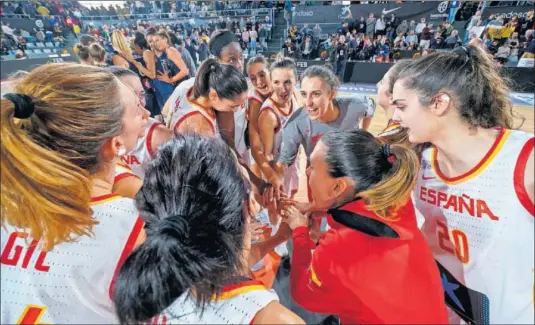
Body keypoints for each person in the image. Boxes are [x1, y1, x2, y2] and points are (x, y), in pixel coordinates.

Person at [391, 44, 534, 324]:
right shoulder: (421, 162)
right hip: (439, 312)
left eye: (402, 107)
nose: (395, 117)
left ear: (439, 103)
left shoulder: (524, 161)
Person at [1, 63, 149, 323]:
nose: (146, 114)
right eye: (137, 109)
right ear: (115, 144)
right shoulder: (134, 225)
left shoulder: (8, 204)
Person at [112, 134, 304, 324]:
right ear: (249, 207)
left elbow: (232, 263)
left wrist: (277, 238)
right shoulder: (273, 319)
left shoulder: (150, 284)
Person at [281, 129, 450, 324]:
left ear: (337, 187)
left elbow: (303, 293)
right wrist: (323, 208)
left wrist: (299, 232)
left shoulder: (338, 245)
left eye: (312, 166)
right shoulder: (397, 202)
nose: (307, 171)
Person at [272, 65, 376, 202]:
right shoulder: (296, 123)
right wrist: (274, 181)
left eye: (316, 94)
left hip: (349, 169)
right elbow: (283, 162)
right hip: (317, 172)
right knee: (315, 214)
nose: (308, 103)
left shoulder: (355, 106)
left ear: (332, 94)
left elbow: (371, 107)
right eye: (304, 94)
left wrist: (363, 132)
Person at [109, 67, 172, 181]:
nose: (140, 103)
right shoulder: (99, 143)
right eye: (131, 96)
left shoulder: (158, 135)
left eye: (142, 94)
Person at [167, 58, 248, 137]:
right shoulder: (200, 126)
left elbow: (165, 111)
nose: (235, 110)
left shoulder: (187, 85)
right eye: (232, 106)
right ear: (213, 96)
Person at [258, 58, 301, 201]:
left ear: (296, 80)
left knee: (292, 198)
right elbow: (267, 155)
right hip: (278, 172)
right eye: (276, 82)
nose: (282, 89)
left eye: (287, 82)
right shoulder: (268, 115)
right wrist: (273, 180)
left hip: (293, 164)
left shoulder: (295, 97)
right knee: (277, 212)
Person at [152, 30, 189, 112]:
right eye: (154, 42)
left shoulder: (170, 50)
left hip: (183, 88)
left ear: (165, 39)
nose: (155, 43)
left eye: (157, 40)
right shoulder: (166, 52)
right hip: (180, 87)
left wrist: (170, 80)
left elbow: (185, 71)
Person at [375, 59, 412, 142]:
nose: (377, 84)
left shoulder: (387, 141)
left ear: (394, 94)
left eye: (382, 82)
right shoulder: (409, 131)